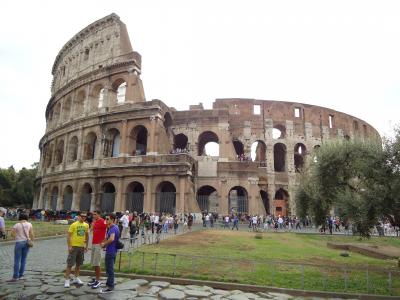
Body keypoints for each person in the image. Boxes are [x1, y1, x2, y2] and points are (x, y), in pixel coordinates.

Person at [64, 212, 89, 288]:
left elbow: (87, 236)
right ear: (79, 217)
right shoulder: (74, 224)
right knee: (70, 264)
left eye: (85, 216)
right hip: (74, 246)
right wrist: (69, 246)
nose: (83, 217)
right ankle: (67, 280)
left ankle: (76, 277)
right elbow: (68, 235)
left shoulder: (86, 225)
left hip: (81, 247)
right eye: (82, 216)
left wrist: (86, 245)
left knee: (79, 264)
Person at [8, 212, 34, 281]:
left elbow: (12, 234)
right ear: (26, 218)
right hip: (27, 242)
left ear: (20, 217)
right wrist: (31, 240)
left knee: (17, 260)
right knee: (23, 260)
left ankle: (15, 276)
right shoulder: (29, 224)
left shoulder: (17, 225)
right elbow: (31, 234)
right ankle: (21, 275)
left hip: (19, 242)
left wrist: (16, 237)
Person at [100, 213, 120, 294]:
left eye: (108, 219)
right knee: (109, 269)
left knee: (110, 269)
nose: (106, 220)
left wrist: (104, 244)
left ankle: (110, 287)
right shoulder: (115, 227)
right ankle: (109, 283)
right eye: (106, 219)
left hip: (111, 251)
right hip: (113, 250)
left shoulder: (112, 228)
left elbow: (111, 239)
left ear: (112, 220)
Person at [87, 211, 106, 289]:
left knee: (97, 263)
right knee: (94, 263)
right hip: (94, 243)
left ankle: (98, 280)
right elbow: (90, 230)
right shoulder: (94, 221)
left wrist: (104, 242)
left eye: (95, 214)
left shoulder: (102, 221)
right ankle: (96, 279)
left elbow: (108, 229)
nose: (94, 216)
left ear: (99, 214)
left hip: (99, 244)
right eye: (93, 214)